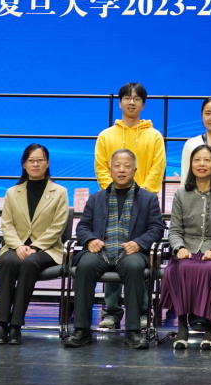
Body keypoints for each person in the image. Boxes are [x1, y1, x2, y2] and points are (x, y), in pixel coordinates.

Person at [65, 149, 165, 349]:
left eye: (127, 166)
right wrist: (90, 240)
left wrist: (139, 243)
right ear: (110, 170)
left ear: (135, 169)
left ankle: (133, 331)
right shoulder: (96, 198)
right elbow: (83, 226)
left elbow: (157, 228)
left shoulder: (148, 199)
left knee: (134, 267)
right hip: (101, 251)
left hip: (131, 252)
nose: (121, 170)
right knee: (85, 266)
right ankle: (81, 330)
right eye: (117, 166)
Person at [93, 82, 166, 330]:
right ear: (120, 102)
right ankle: (111, 312)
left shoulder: (154, 136)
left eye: (136, 98)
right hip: (112, 202)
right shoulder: (106, 135)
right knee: (111, 253)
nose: (131, 102)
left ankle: (143, 312)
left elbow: (158, 167)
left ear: (143, 104)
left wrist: (142, 195)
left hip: (143, 204)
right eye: (127, 98)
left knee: (137, 257)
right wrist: (115, 189)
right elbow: (101, 167)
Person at [160, 144, 211, 349]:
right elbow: (174, 230)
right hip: (188, 247)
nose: (201, 164)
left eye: (206, 160)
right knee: (182, 267)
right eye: (197, 160)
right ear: (191, 164)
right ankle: (182, 327)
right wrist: (179, 248)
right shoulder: (181, 194)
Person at [0, 144, 68, 345]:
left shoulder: (59, 192)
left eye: (40, 160)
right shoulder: (12, 192)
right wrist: (18, 246)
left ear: (47, 163)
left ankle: (16, 325)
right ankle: (1, 324)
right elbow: (7, 224)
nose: (36, 164)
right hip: (15, 246)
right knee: (8, 262)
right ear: (24, 164)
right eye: (31, 160)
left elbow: (58, 226)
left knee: (29, 263)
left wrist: (34, 247)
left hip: (47, 249)